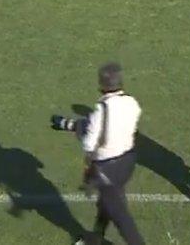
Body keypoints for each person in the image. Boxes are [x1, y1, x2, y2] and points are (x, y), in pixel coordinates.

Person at [79, 63, 144, 245]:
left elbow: (89, 143)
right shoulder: (132, 102)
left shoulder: (102, 108)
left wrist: (79, 130)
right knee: (107, 202)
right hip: (128, 161)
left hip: (107, 168)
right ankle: (95, 239)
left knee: (120, 216)